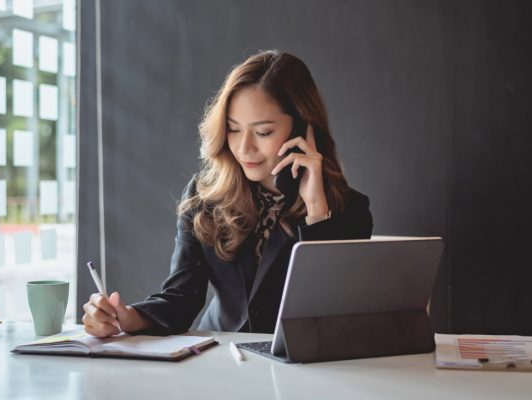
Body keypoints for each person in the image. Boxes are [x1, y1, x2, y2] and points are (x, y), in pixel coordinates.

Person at [82, 50, 373, 336]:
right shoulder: (204, 195)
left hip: (297, 371)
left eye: (263, 132)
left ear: (302, 129)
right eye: (234, 129)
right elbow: (181, 296)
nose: (244, 148)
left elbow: (331, 316)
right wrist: (126, 317)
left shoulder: (349, 209)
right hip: (218, 360)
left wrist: (315, 210)